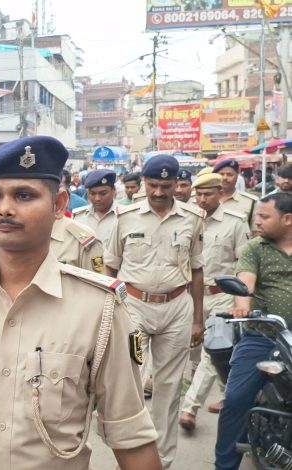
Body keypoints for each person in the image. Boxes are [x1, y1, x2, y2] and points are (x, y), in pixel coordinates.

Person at [0, 136, 161, 470]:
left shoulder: (98, 308)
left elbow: (129, 432)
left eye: (24, 195)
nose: (5, 209)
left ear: (58, 204)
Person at [105, 155, 205, 469]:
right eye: (153, 185)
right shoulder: (125, 217)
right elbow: (111, 267)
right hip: (133, 307)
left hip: (176, 308)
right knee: (130, 382)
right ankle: (131, 456)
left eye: (166, 185)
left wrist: (198, 319)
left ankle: (161, 460)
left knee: (169, 388)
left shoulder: (192, 218)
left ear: (177, 184)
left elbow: (197, 269)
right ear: (144, 184)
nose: (159, 192)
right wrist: (110, 312)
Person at [214, 192, 292, 470]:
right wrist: (242, 307)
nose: (257, 221)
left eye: (264, 216)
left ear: (287, 219)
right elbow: (244, 282)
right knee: (236, 399)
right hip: (264, 335)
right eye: (257, 215)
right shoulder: (255, 249)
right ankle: (225, 465)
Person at [178, 173, 251, 431]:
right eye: (198, 194)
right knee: (195, 350)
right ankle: (228, 394)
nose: (202, 199)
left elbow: (244, 264)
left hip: (223, 296)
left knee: (213, 350)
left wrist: (241, 300)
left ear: (220, 193)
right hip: (191, 295)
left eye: (208, 194)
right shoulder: (186, 219)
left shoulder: (235, 222)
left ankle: (189, 408)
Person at [73, 169, 118, 242]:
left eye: (103, 194)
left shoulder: (124, 217)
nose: (97, 199)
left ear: (113, 190)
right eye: (92, 194)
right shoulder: (78, 217)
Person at [214, 159, 258, 230]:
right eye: (221, 174)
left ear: (237, 177)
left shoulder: (250, 202)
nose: (225, 178)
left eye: (230, 175)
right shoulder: (204, 199)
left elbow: (255, 232)